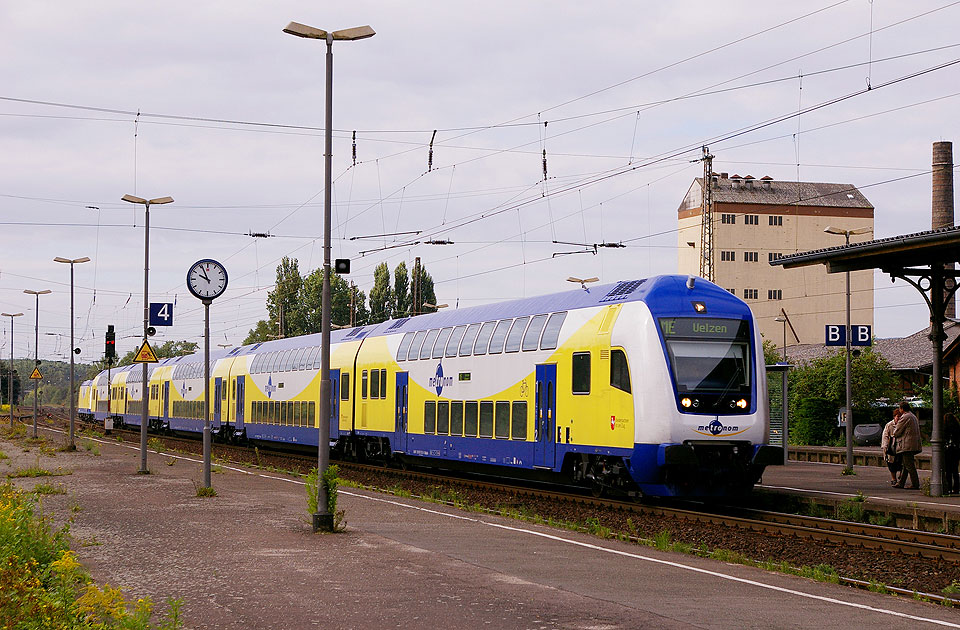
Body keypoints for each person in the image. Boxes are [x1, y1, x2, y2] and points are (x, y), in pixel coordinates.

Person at [893, 401, 921, 489]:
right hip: (913, 444)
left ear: (902, 409)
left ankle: (915, 484)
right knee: (906, 464)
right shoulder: (913, 416)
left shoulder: (905, 417)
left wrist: (894, 432)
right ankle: (901, 482)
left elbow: (897, 431)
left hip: (907, 444)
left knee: (909, 465)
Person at [880, 407, 902, 485]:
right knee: (891, 463)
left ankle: (901, 477)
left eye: (900, 417)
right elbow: (885, 436)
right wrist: (885, 446)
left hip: (901, 446)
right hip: (891, 446)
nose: (899, 418)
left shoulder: (903, 424)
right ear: (894, 417)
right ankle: (893, 478)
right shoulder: (889, 425)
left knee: (901, 462)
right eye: (897, 416)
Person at [945, 412, 960, 495]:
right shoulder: (957, 427)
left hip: (948, 450)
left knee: (948, 470)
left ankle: (949, 487)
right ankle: (956, 488)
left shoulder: (945, 428)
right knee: (955, 470)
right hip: (956, 450)